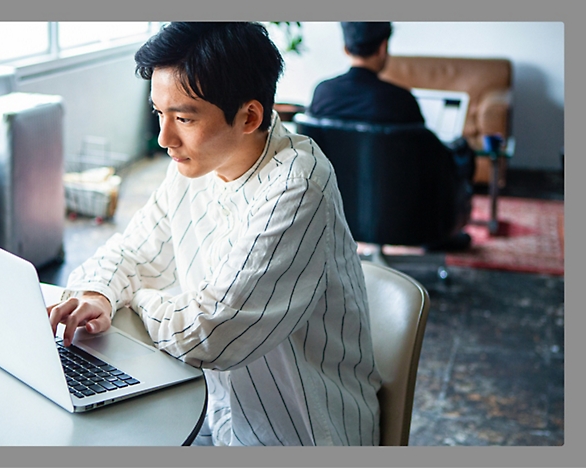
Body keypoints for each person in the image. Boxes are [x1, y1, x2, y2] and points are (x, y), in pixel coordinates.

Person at [47, 22, 381, 446]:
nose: (164, 138)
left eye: (183, 118)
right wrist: (98, 294)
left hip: (298, 432)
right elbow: (132, 252)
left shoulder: (298, 186)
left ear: (249, 116)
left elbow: (209, 334)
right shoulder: (193, 165)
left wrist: (141, 297)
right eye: (159, 114)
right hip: (215, 411)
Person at [309, 22, 474, 251]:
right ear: (383, 47)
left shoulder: (322, 94)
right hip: (402, 217)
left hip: (336, 209)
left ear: (345, 48)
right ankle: (441, 237)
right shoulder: (400, 100)